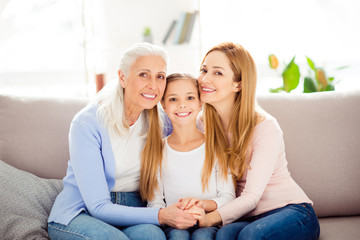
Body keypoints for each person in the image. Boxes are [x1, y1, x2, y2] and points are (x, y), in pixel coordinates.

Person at [47, 43, 197, 240]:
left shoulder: (163, 121)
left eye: (160, 76)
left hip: (135, 208)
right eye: (144, 74)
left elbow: (200, 127)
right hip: (81, 212)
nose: (153, 85)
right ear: (122, 77)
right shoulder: (87, 123)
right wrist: (161, 215)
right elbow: (98, 206)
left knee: (153, 237)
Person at [194, 42, 320, 240]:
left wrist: (207, 219)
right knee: (223, 236)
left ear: (239, 84)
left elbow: (252, 197)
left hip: (291, 212)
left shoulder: (265, 126)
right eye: (204, 70)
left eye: (217, 73)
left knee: (251, 236)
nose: (205, 79)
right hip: (246, 217)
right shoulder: (202, 123)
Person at [147, 73, 235, 240]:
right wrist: (171, 216)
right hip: (174, 224)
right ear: (163, 104)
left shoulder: (216, 146)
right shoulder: (157, 150)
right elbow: (154, 201)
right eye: (173, 99)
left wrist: (202, 205)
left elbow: (228, 196)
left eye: (190, 97)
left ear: (200, 102)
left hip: (208, 222)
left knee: (202, 237)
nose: (182, 105)